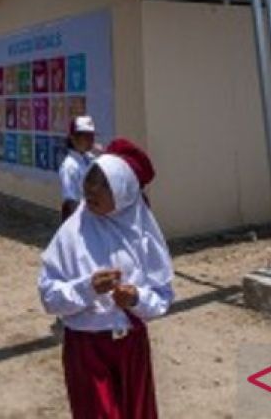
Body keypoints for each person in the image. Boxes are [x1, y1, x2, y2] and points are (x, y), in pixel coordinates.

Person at [38, 138, 173, 419]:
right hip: (87, 349)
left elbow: (162, 296)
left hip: (131, 346)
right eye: (91, 179)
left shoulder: (142, 234)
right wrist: (87, 288)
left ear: (124, 191)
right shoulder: (71, 233)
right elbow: (49, 296)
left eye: (104, 184)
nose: (91, 189)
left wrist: (136, 298)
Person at [59, 116, 99, 222]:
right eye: (86, 137)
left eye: (92, 136)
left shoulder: (90, 158)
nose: (91, 140)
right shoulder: (70, 166)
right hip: (81, 220)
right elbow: (70, 202)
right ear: (73, 139)